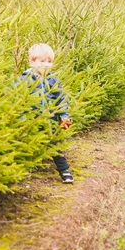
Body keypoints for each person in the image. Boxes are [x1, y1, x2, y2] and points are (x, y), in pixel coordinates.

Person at [18, 43, 74, 183]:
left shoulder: (52, 80)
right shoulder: (24, 80)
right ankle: (23, 171)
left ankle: (64, 170)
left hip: (50, 121)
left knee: (56, 144)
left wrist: (64, 117)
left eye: (49, 62)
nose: (46, 65)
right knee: (26, 145)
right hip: (31, 121)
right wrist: (23, 119)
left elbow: (61, 100)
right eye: (42, 61)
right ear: (32, 62)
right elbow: (18, 101)